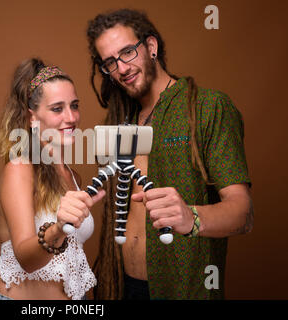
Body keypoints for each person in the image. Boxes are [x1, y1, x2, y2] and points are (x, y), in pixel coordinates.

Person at [86, 9, 253, 300]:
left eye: (127, 52)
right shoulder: (118, 122)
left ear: (151, 47)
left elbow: (242, 212)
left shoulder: (207, 107)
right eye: (110, 62)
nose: (122, 68)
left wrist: (192, 217)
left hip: (183, 289)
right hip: (122, 285)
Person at [0, 58, 105, 300]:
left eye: (74, 106)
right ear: (32, 117)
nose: (71, 117)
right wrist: (59, 227)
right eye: (57, 108)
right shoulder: (20, 169)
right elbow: (26, 260)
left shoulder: (73, 176)